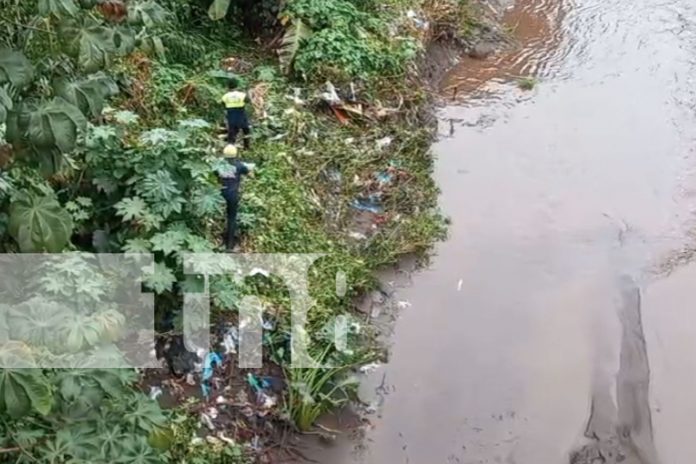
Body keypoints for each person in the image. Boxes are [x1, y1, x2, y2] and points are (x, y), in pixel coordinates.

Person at [218, 144, 253, 251]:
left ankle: (220, 239)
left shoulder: (219, 165)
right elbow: (250, 175)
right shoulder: (239, 165)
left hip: (219, 194)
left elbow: (215, 174)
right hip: (233, 194)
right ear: (235, 154)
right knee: (231, 218)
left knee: (222, 215)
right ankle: (230, 245)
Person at [221, 79, 251, 149]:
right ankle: (246, 147)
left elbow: (223, 104)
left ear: (228, 87)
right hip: (241, 115)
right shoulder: (241, 94)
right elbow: (248, 100)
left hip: (231, 116)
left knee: (232, 133)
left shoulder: (225, 96)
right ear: (236, 86)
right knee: (246, 130)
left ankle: (230, 149)